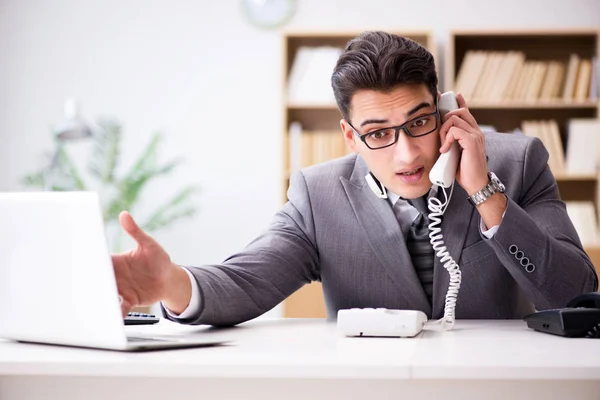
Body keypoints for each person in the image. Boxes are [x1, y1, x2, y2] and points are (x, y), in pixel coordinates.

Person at [112, 31, 598, 327]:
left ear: (450, 111)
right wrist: (170, 283)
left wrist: (485, 192)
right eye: (378, 133)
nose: (406, 152)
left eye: (419, 122)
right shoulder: (317, 194)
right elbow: (248, 280)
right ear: (349, 137)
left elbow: (574, 297)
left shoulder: (519, 162)